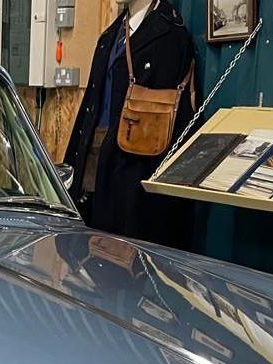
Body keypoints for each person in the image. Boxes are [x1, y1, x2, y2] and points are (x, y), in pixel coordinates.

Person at [62, 0, 197, 247]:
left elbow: (167, 126)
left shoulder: (170, 37)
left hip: (131, 180)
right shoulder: (111, 36)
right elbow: (91, 107)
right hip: (94, 169)